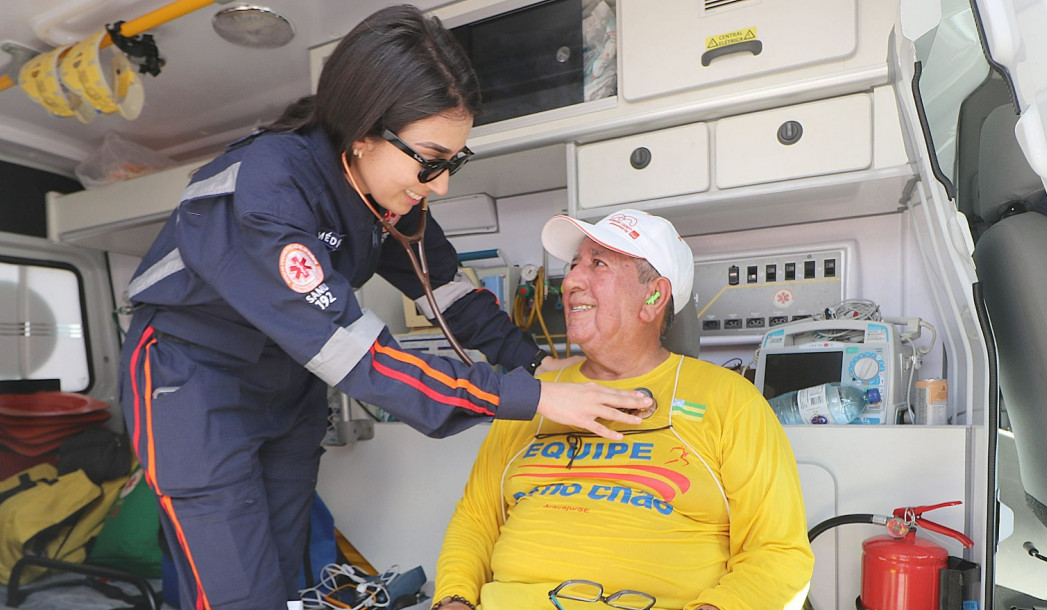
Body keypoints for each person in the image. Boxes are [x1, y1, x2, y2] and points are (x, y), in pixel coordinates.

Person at [116, 6, 650, 610]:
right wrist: (533, 397)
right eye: (430, 160)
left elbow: (447, 291)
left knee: (286, 571)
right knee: (237, 591)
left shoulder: (387, 196)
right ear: (363, 134)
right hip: (195, 386)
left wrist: (531, 363)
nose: (441, 184)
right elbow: (359, 354)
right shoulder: (265, 193)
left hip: (287, 389)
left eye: (453, 161)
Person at [432, 209, 814, 610]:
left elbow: (778, 553)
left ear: (653, 296)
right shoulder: (536, 397)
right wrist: (453, 599)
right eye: (574, 265)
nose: (572, 281)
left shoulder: (730, 400)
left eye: (598, 264)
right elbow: (476, 520)